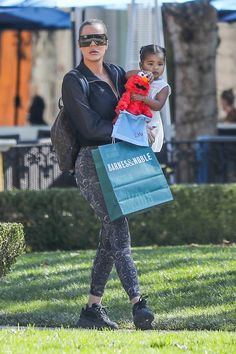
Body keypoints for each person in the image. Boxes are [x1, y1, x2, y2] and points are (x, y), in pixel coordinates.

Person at [61, 19, 155, 330]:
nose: (92, 45)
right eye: (86, 40)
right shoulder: (74, 80)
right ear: (79, 44)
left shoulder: (115, 73)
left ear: (106, 42)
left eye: (98, 39)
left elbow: (133, 106)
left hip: (119, 158)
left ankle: (92, 309)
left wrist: (144, 127)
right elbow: (88, 127)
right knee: (117, 223)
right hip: (90, 162)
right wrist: (128, 134)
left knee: (108, 237)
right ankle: (138, 303)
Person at [127, 44, 171, 152]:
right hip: (134, 123)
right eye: (150, 64)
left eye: (160, 64)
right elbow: (126, 75)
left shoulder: (163, 86)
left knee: (147, 155)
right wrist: (142, 73)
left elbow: (158, 105)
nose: (155, 67)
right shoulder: (140, 77)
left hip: (151, 126)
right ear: (141, 65)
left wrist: (143, 98)